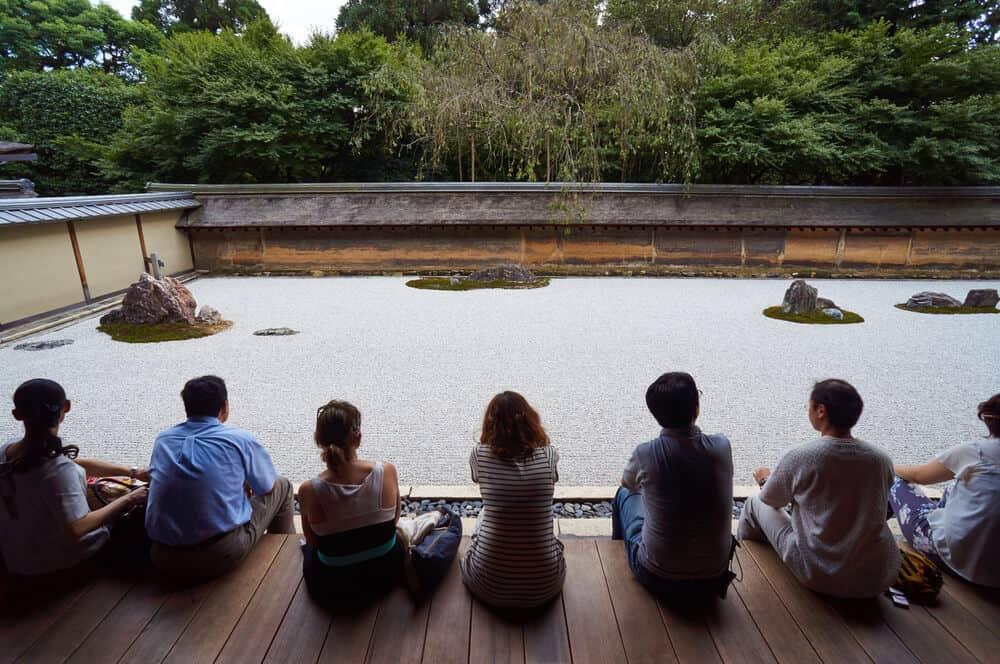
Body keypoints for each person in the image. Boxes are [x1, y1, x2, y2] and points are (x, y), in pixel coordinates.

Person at [738, 379, 900, 598]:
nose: (808, 411)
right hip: (873, 577)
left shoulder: (803, 456)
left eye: (809, 406)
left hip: (819, 572)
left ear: (821, 411)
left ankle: (746, 560)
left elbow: (772, 500)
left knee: (754, 502)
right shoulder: (881, 460)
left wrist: (765, 479)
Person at [145, 375, 294, 578]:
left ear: (187, 407)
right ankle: (287, 560)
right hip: (217, 555)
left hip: (161, 557)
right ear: (225, 406)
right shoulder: (239, 439)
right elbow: (268, 488)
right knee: (283, 486)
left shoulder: (163, 440)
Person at [0, 379, 148, 577]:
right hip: (53, 562)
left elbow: (73, 462)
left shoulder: (7, 452)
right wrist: (129, 499)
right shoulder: (57, 469)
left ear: (17, 414)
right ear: (66, 407)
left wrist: (132, 472)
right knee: (134, 516)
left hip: (16, 557)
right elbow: (77, 528)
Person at [612, 372, 736, 598]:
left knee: (623, 495)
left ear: (656, 415)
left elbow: (627, 483)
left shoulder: (646, 452)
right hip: (714, 576)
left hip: (659, 577)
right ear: (696, 409)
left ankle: (616, 560)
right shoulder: (721, 446)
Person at [461, 391, 565, 609]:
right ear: (530, 420)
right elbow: (552, 480)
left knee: (483, 514)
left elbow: (477, 478)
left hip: (487, 583)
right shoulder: (549, 454)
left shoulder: (479, 454)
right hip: (546, 584)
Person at [297, 400, 404, 607]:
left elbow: (313, 541)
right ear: (358, 437)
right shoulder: (387, 472)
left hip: (332, 587)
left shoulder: (309, 490)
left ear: (319, 440)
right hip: (386, 575)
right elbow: (394, 520)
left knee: (310, 551)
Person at [890, 393, 1000, 588]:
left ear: (988, 419)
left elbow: (918, 476)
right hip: (993, 574)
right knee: (957, 485)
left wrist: (885, 464)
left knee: (896, 481)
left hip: (953, 559)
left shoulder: (977, 452)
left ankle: (869, 542)